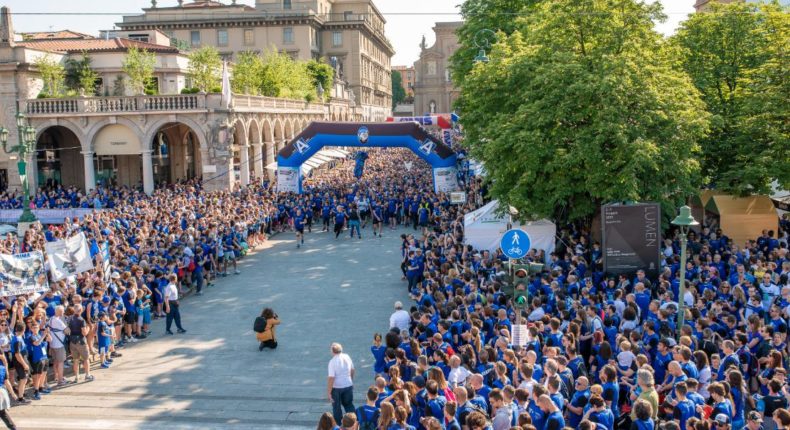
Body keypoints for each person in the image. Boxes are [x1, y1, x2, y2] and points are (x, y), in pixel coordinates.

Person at [328, 342, 355, 424]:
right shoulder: (347, 357)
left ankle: (339, 425)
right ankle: (353, 422)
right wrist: (350, 380)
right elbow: (352, 370)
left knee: (336, 407)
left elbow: (331, 378)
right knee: (349, 405)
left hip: (336, 388)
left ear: (332, 351)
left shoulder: (332, 362)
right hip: (348, 385)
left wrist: (329, 392)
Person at [68, 303, 92, 383]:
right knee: (86, 359)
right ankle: (87, 375)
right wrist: (88, 328)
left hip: (72, 341)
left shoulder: (70, 318)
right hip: (81, 341)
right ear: (81, 310)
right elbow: (84, 333)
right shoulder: (81, 320)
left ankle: (76, 377)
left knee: (75, 360)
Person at [0, 362, 16, 429]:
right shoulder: (2, 368)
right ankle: (13, 428)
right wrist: (13, 393)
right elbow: (7, 383)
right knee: (2, 413)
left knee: (2, 413)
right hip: (1, 392)